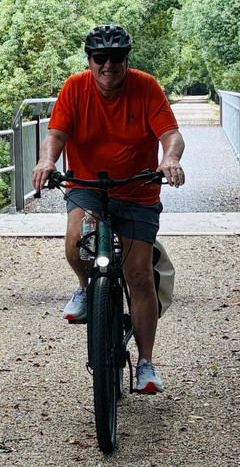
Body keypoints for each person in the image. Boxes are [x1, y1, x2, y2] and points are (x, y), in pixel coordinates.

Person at [31, 25, 185, 394]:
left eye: (117, 58)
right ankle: (86, 288)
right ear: (90, 60)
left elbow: (170, 134)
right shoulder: (74, 87)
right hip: (87, 187)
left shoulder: (146, 86)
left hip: (138, 190)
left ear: (127, 60)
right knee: (74, 243)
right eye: (100, 58)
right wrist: (47, 162)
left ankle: (146, 363)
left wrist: (171, 159)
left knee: (140, 276)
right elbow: (55, 135)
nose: (109, 65)